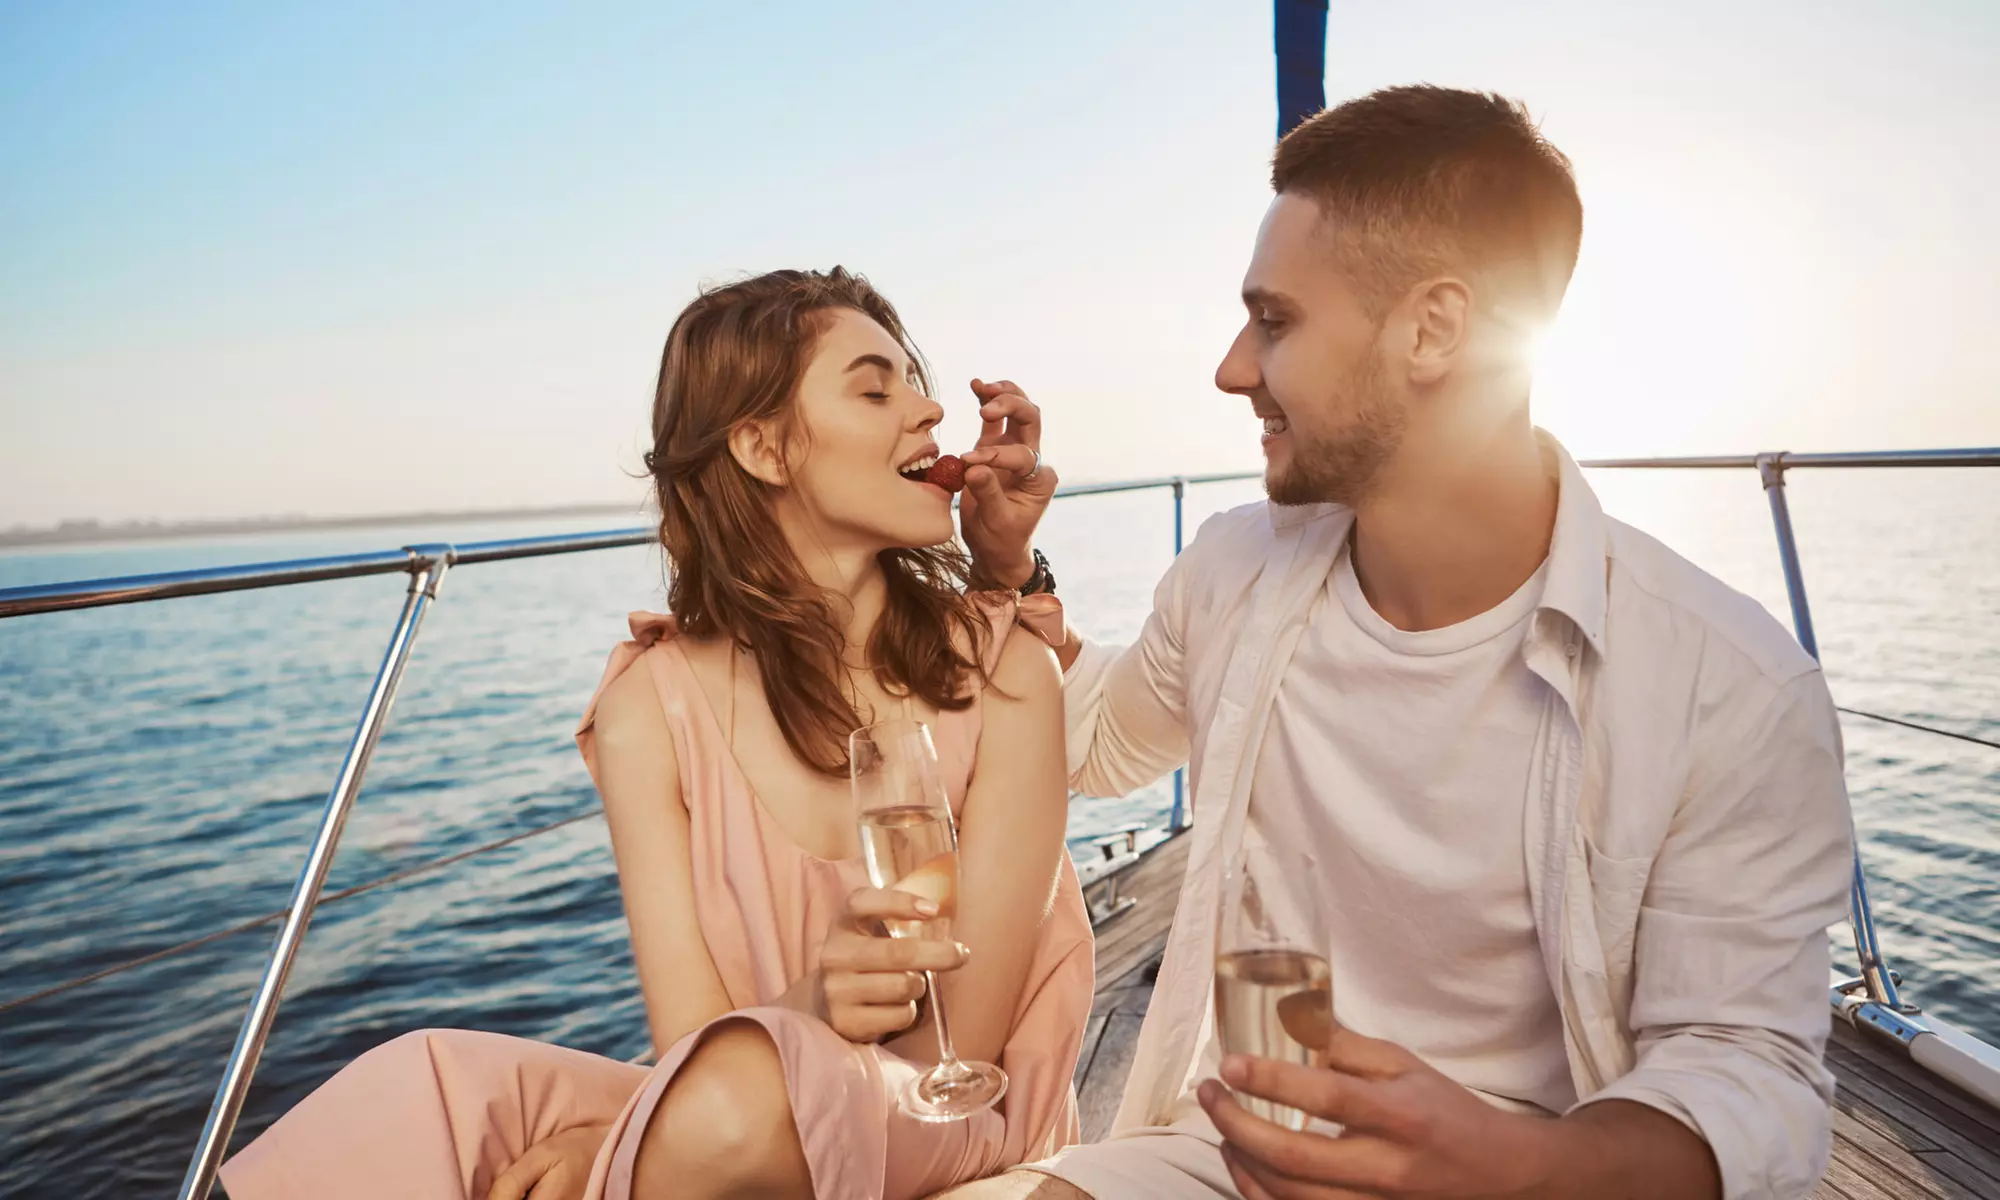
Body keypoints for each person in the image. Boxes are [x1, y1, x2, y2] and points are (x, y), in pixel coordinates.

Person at [943, 86, 1855, 1200]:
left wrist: (1508, 1166)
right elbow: (1090, 748)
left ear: (1431, 328)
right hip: (1231, 1158)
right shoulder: (1232, 573)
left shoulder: (1731, 688)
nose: (1232, 368)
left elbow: (1745, 1079)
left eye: (1272, 321)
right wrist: (1001, 572)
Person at [219, 268, 1094, 1200]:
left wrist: (627, 1146)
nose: (927, 410)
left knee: (706, 1115)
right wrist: (811, 1009)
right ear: (761, 447)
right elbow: (692, 1041)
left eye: (914, 382)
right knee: (429, 1094)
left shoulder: (1005, 673)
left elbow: (957, 1058)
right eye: (876, 389)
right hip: (741, 1104)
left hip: (954, 1112)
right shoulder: (651, 707)